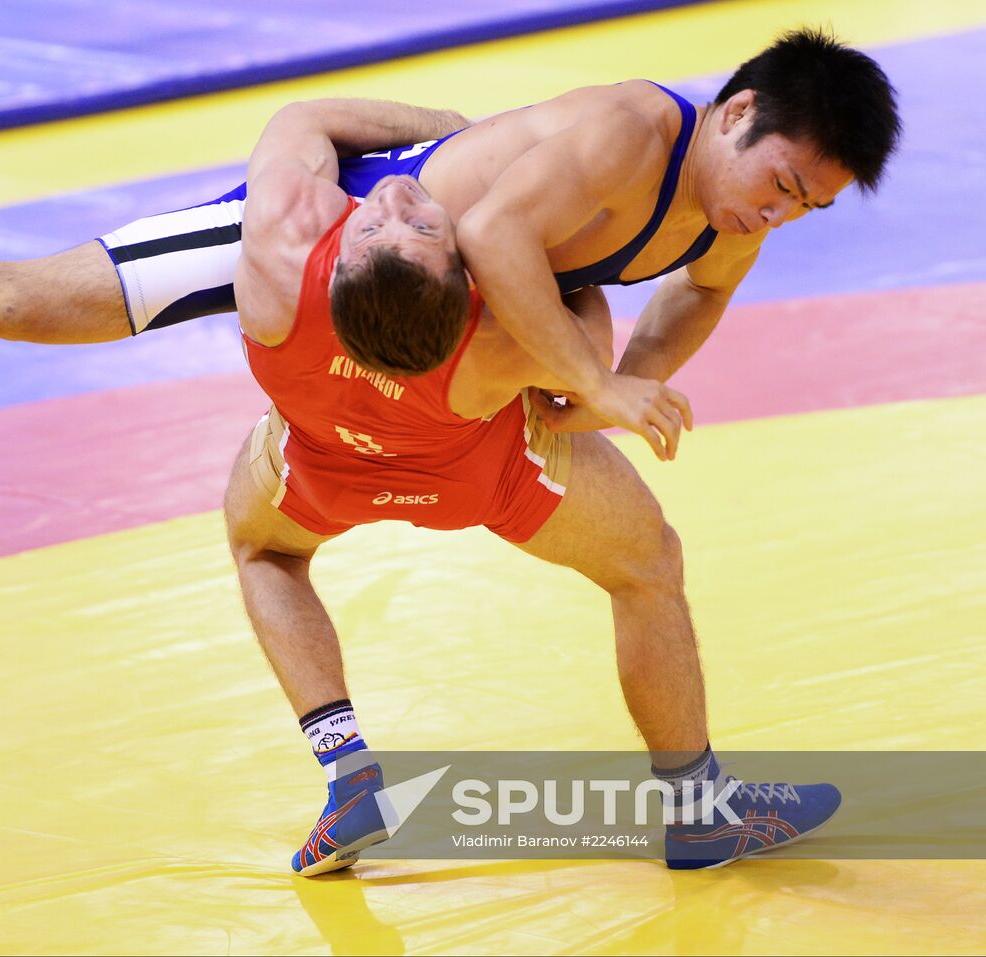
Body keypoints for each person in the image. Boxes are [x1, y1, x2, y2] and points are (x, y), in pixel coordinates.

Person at [0, 29, 901, 461]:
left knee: (588, 414)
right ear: (734, 113)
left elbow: (686, 311)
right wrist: (592, 381)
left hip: (447, 290)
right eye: (777, 183)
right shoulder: (630, 132)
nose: (772, 216)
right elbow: (500, 230)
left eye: (802, 208)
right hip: (342, 228)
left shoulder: (734, 211)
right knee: (16, 304)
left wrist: (619, 387)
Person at [224, 93, 838, 876]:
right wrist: (559, 275)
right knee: (647, 563)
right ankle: (695, 806)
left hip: (322, 453)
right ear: (462, 272)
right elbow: (576, 345)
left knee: (261, 551)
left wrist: (428, 150)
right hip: (484, 460)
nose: (398, 202)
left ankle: (348, 776)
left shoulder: (278, 253)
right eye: (409, 225)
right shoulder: (500, 331)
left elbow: (298, 121)